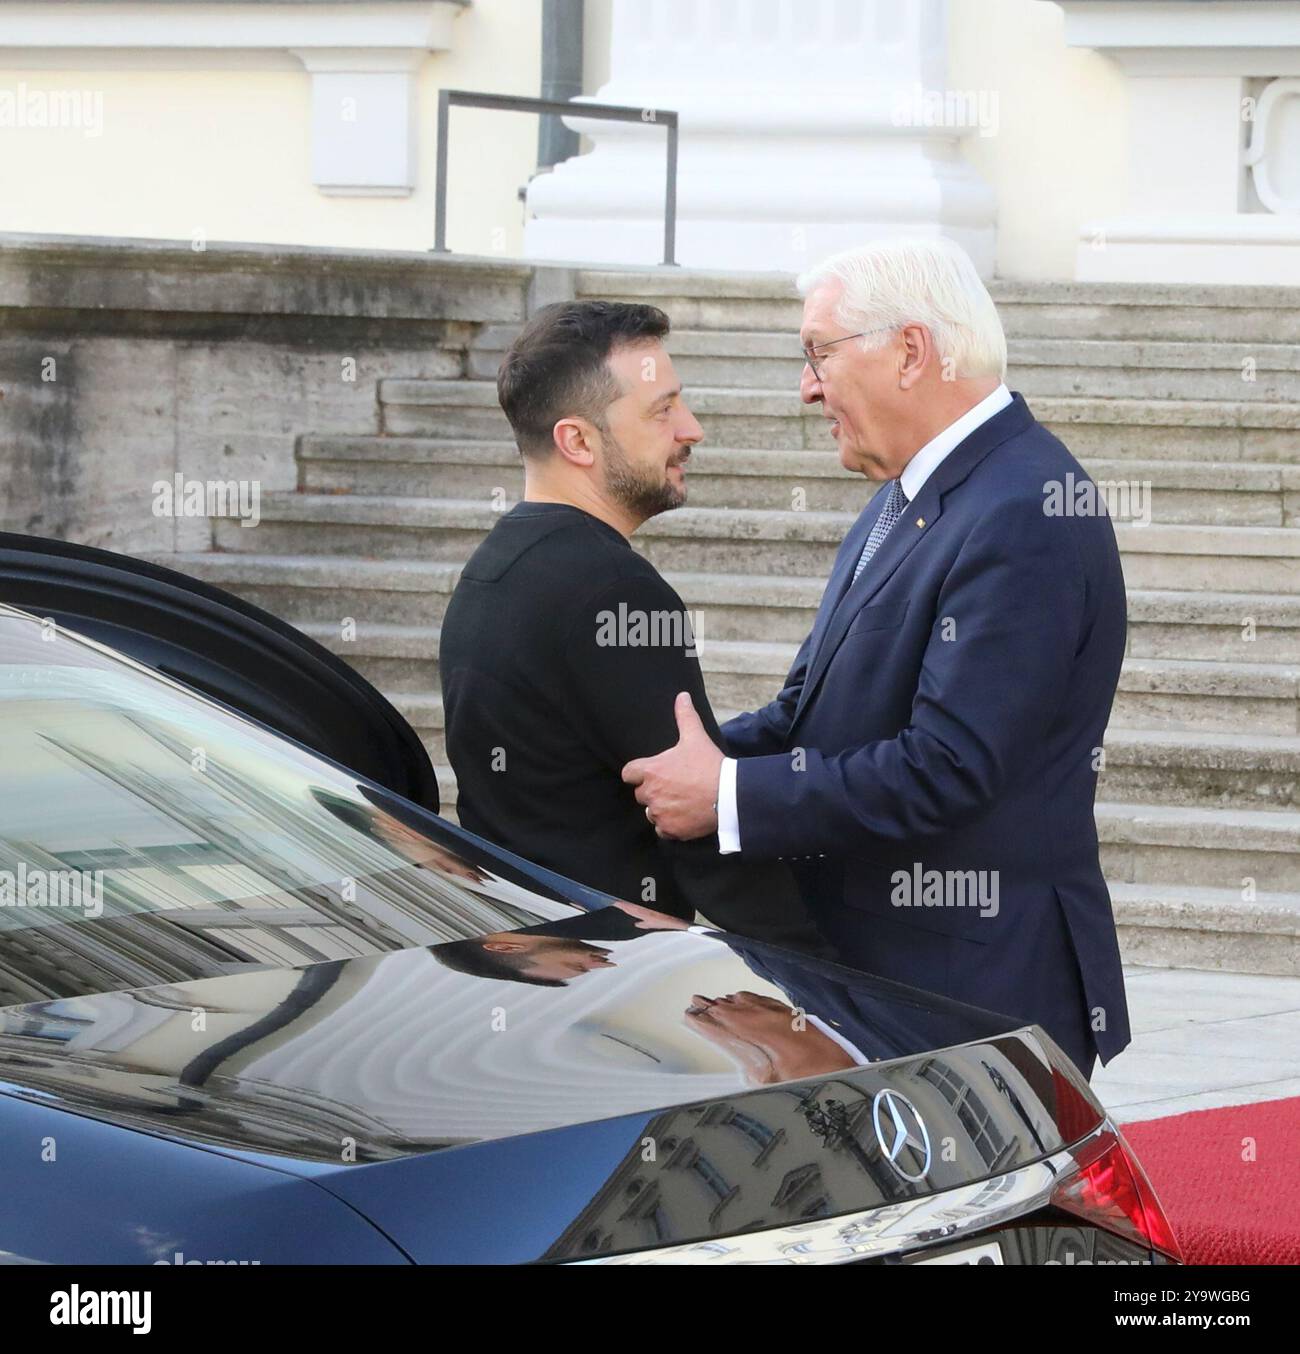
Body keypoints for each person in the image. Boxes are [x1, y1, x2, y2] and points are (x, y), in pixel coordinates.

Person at [622, 238, 1130, 1079]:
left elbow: (947, 766)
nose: (807, 385)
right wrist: (681, 760)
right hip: (891, 982)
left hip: (972, 997)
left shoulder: (1024, 509)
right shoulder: (913, 493)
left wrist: (727, 795)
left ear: (910, 351)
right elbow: (810, 711)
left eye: (819, 353)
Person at [439, 300, 830, 956]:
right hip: (608, 979)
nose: (693, 429)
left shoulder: (493, 568)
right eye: (662, 409)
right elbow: (700, 826)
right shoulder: (612, 593)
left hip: (538, 958)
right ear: (579, 441)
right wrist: (828, 982)